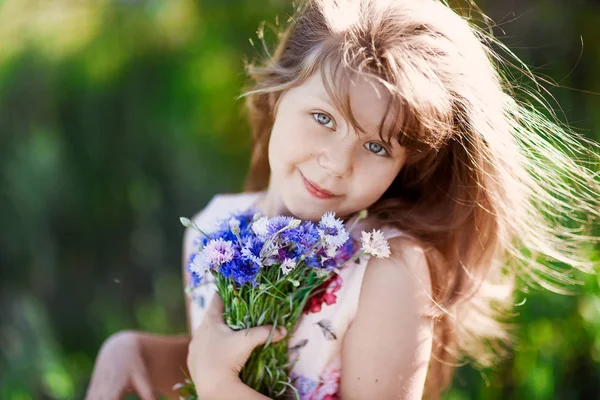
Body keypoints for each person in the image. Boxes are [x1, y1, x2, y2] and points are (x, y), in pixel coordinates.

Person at [85, 0, 600, 399]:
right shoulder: (213, 228)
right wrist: (132, 350)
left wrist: (220, 388)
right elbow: (216, 356)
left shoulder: (385, 270)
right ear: (277, 92)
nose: (337, 163)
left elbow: (220, 378)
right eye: (324, 119)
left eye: (376, 145)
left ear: (406, 165)